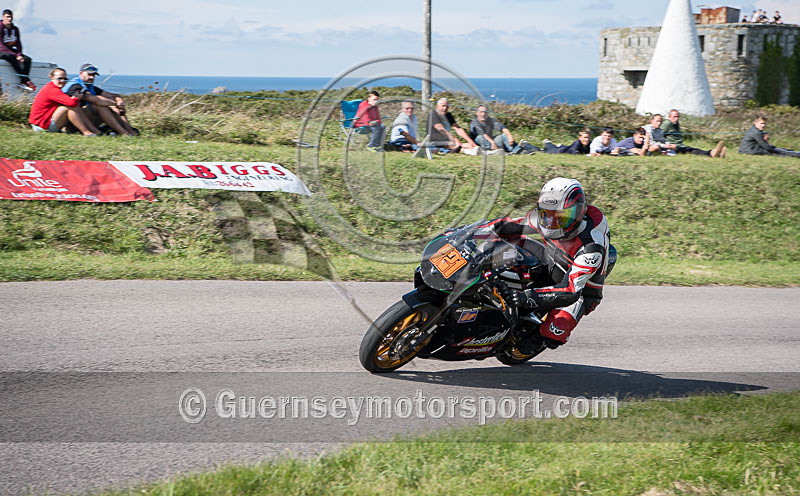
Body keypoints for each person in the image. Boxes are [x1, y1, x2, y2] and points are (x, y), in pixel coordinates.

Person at [487, 177, 614, 350]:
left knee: (552, 334)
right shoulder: (548, 216)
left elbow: (570, 291)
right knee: (505, 248)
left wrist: (526, 297)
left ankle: (532, 340)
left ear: (579, 212)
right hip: (552, 261)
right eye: (546, 215)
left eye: (562, 217)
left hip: (579, 290)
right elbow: (511, 226)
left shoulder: (591, 247)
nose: (553, 223)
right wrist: (478, 230)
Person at [63, 63, 137, 136]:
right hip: (73, 122)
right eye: (89, 74)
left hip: (85, 118)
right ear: (81, 73)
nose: (92, 77)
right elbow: (95, 99)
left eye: (94, 75)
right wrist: (115, 103)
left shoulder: (89, 86)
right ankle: (124, 133)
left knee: (113, 105)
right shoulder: (75, 85)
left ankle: (129, 131)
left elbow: (111, 95)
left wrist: (119, 100)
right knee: (100, 106)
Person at [28, 68, 100, 136]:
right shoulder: (52, 90)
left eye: (65, 79)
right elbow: (72, 103)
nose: (63, 81)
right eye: (60, 78)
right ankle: (87, 132)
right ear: (52, 77)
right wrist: (77, 98)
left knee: (73, 107)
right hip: (41, 126)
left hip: (41, 123)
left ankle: (92, 131)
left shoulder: (51, 88)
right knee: (70, 107)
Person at [0, 9, 35, 91]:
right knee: (11, 57)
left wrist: (19, 54)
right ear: (3, 17)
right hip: (1, 50)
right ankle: (26, 80)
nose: (9, 19)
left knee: (27, 59)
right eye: (7, 17)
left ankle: (23, 81)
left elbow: (18, 43)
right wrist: (15, 55)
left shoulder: (15, 29)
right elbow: (0, 44)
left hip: (10, 50)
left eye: (11, 17)